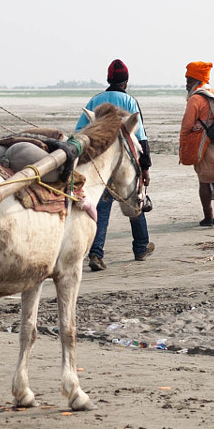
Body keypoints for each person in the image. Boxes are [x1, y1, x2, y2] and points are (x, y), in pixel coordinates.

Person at [77, 59, 153, 273]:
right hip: (124, 163)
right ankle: (141, 247)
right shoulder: (130, 101)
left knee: (101, 207)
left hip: (100, 163)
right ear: (126, 82)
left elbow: (81, 133)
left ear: (109, 79)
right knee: (134, 198)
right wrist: (145, 168)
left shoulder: (95, 100)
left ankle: (96, 253)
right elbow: (141, 138)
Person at [180, 62, 214, 226]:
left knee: (204, 180)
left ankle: (208, 216)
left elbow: (187, 125)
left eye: (189, 80)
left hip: (205, 143)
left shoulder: (195, 99)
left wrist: (184, 145)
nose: (187, 84)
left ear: (197, 80)